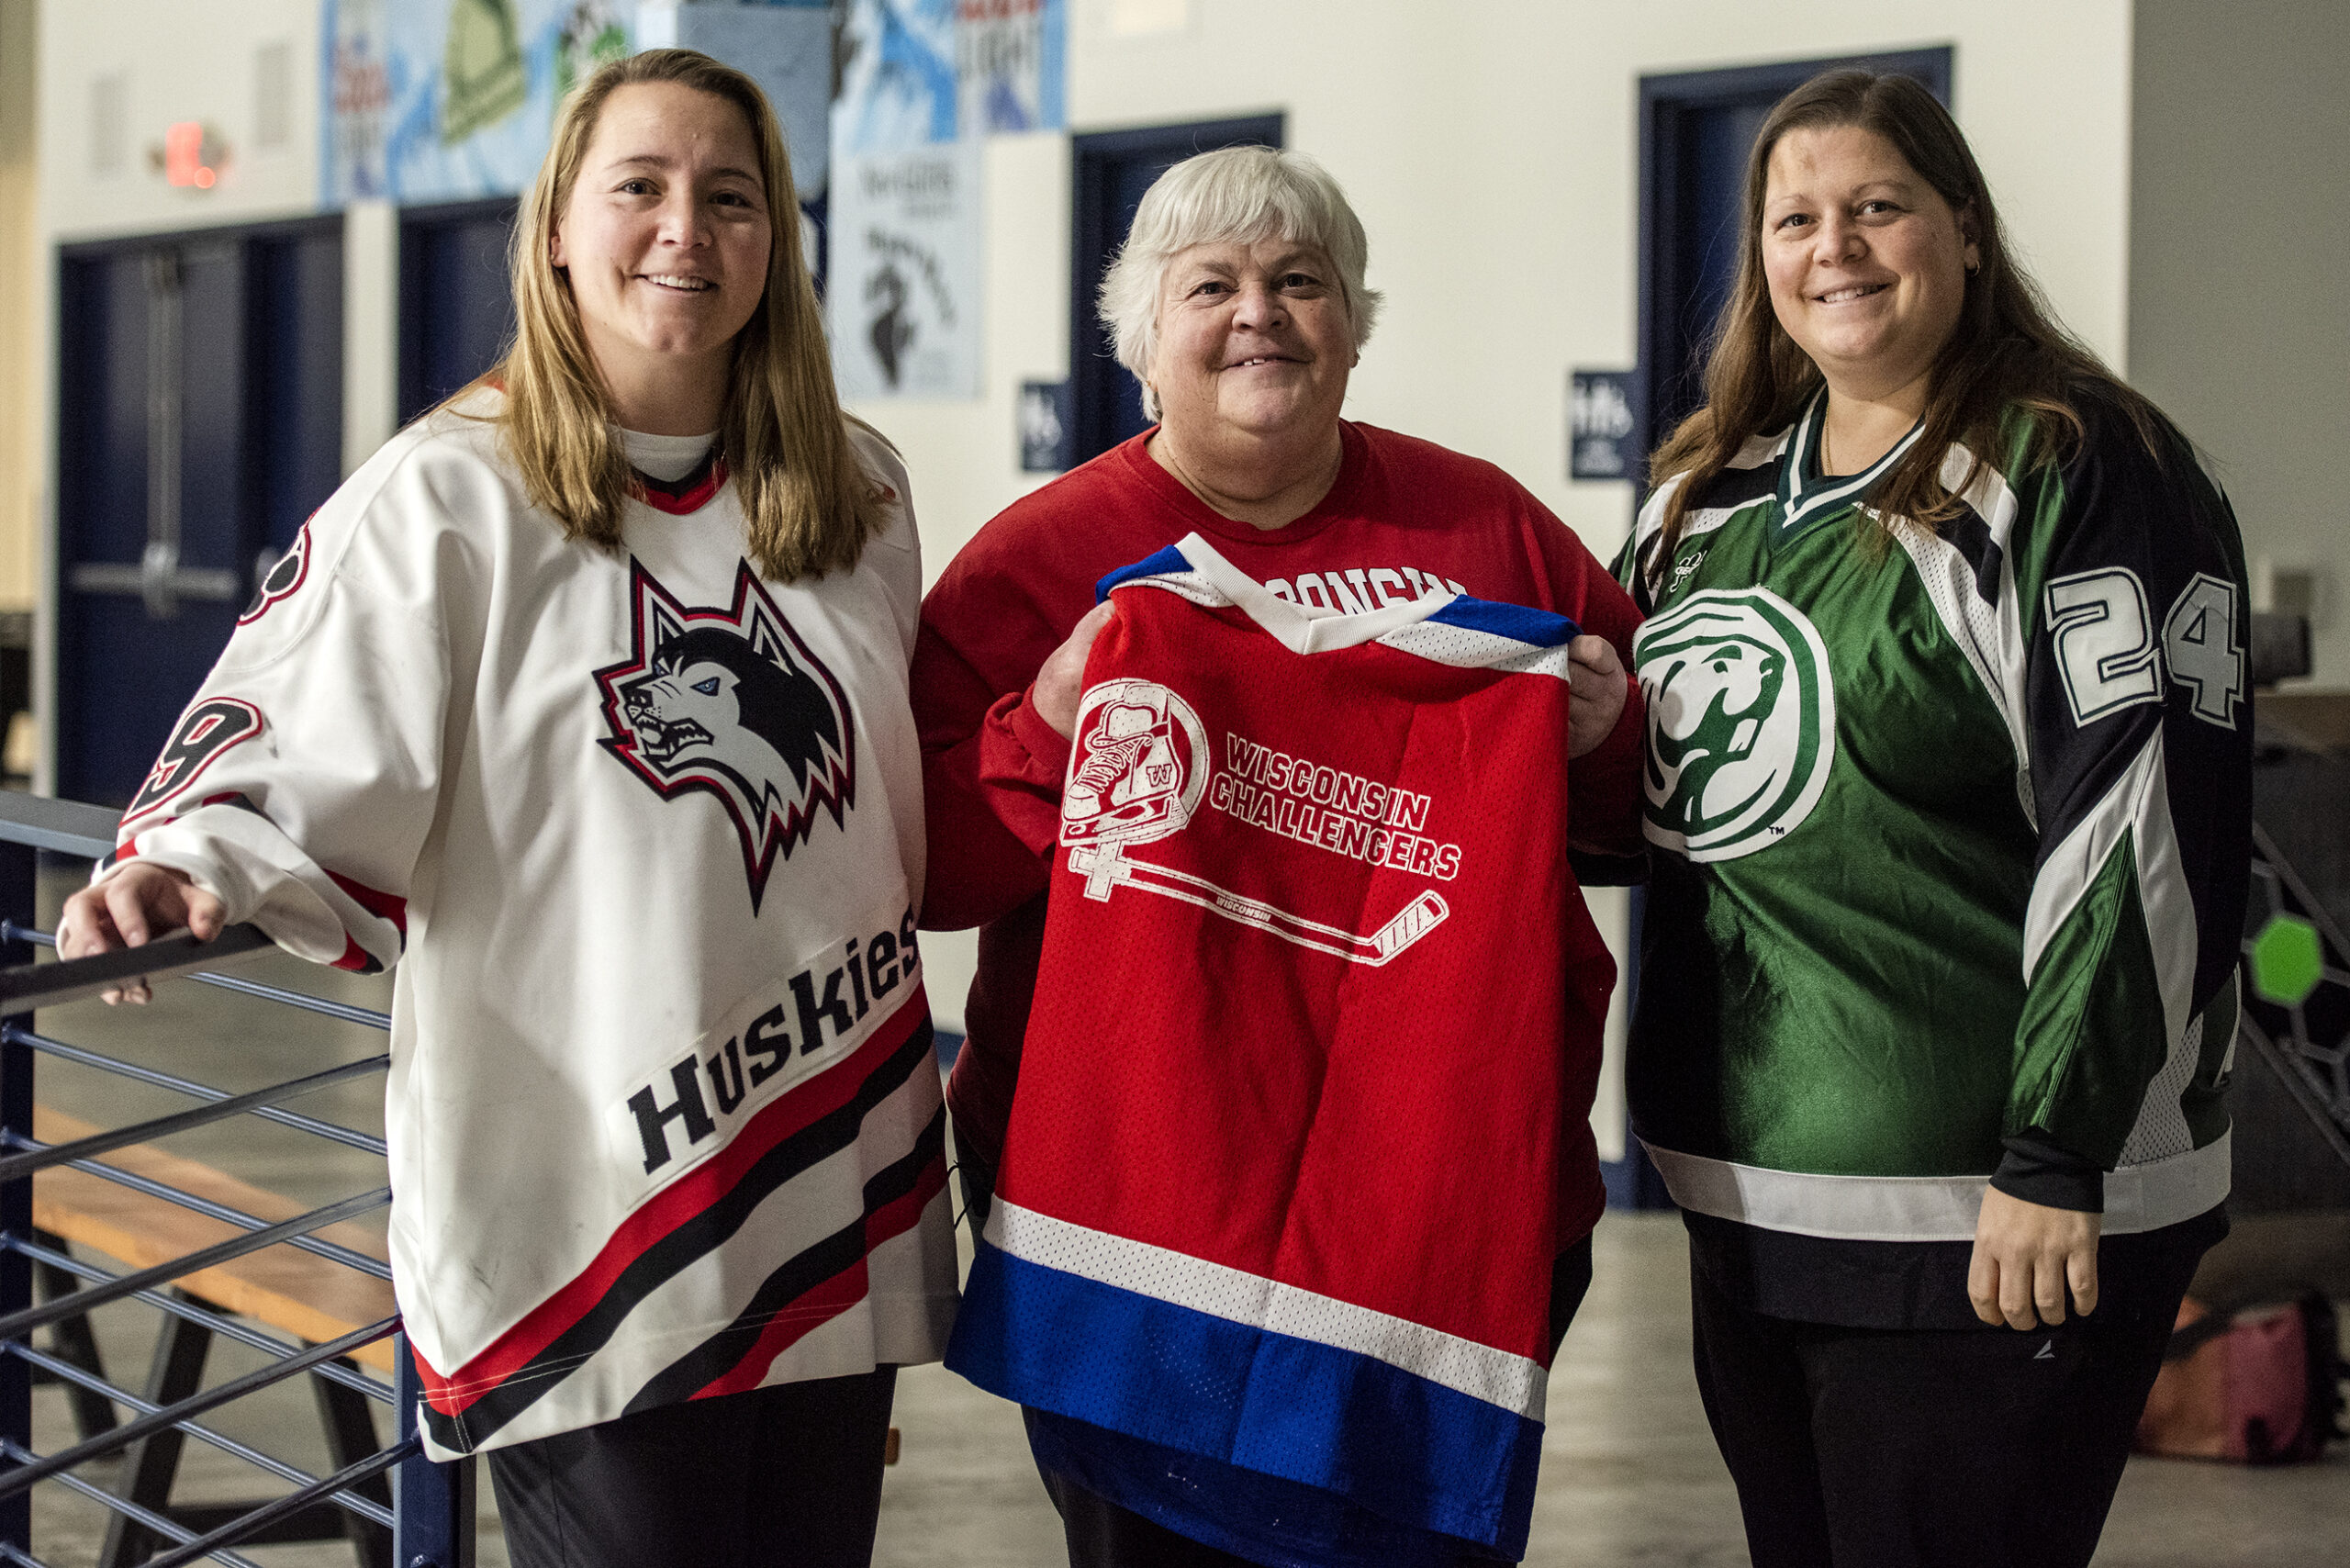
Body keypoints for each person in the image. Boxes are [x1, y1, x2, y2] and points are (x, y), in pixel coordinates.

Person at [58, 50, 955, 1568]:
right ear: (556, 228)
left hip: (833, 1185)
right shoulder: (446, 497)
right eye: (642, 188)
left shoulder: (855, 494)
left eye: (729, 196)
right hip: (591, 1222)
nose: (686, 229)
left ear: (776, 240)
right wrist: (183, 860)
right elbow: (291, 728)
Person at [915, 144, 1646, 1566]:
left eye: (1300, 281)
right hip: (1124, 1194)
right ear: (1143, 339)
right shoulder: (1041, 559)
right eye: (1216, 286)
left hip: (1440, 1195)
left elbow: (1637, 821)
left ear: (1354, 325)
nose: (1262, 313)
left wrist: (1607, 740)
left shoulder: (1484, 531)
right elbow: (933, 871)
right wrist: (1051, 724)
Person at [1619, 70, 2250, 1568]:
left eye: (1877, 207)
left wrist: (2058, 1152)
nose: (1833, 246)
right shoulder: (1700, 500)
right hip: (1748, 1199)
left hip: (1992, 1214)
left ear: (1963, 228)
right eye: (1796, 219)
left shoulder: (2081, 466)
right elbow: (1668, 814)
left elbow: (2141, 823)